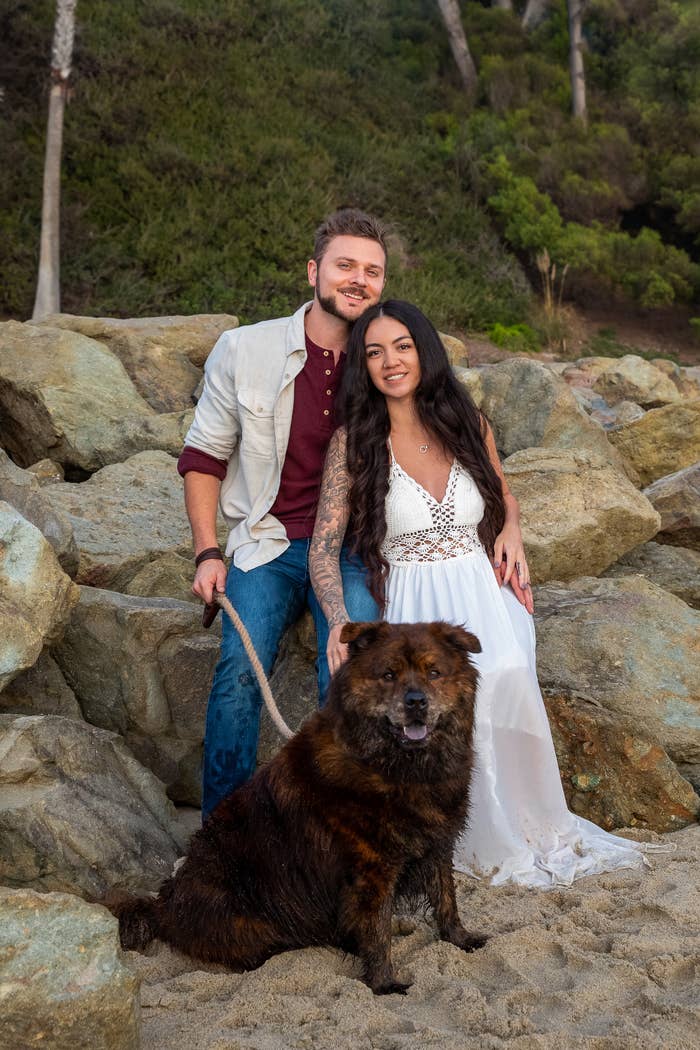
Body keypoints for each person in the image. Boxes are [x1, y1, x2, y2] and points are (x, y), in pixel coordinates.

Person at [310, 299, 653, 888]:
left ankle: (530, 823)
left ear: (424, 351)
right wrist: (340, 622)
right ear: (363, 367)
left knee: (508, 672)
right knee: (438, 708)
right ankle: (459, 837)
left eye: (403, 347)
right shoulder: (354, 442)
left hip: (479, 584)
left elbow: (501, 492)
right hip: (414, 602)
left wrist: (512, 529)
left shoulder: (464, 418)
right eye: (374, 352)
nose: (391, 362)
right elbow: (322, 547)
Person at [178, 208, 387, 818]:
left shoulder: (386, 356)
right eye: (345, 265)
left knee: (351, 677)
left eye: (372, 271)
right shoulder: (245, 348)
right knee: (240, 673)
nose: (358, 280)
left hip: (354, 550)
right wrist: (207, 551)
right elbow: (204, 456)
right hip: (265, 543)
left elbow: (456, 431)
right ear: (313, 271)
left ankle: (339, 835)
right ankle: (223, 833)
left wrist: (505, 521)